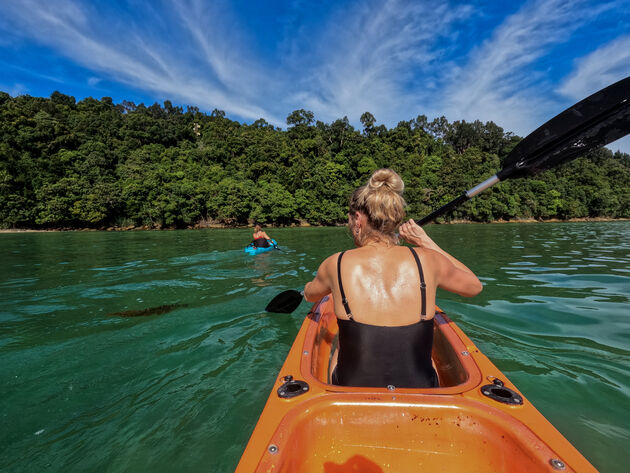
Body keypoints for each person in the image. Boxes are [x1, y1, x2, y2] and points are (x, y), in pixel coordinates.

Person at [303, 168, 482, 388]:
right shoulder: (428, 260)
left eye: (350, 220)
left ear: (358, 218)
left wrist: (307, 288)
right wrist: (427, 243)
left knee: (342, 343)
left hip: (353, 386)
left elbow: (310, 296)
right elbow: (474, 287)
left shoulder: (335, 263)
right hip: (422, 387)